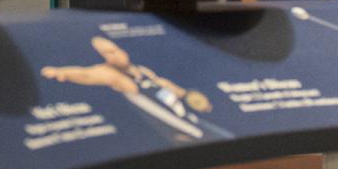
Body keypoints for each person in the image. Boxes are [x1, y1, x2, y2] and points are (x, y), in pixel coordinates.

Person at [41, 36, 230, 143]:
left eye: (113, 49)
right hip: (182, 132)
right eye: (106, 54)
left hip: (193, 120)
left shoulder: (142, 71)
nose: (113, 55)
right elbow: (87, 74)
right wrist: (62, 72)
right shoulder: (118, 78)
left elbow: (166, 85)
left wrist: (190, 96)